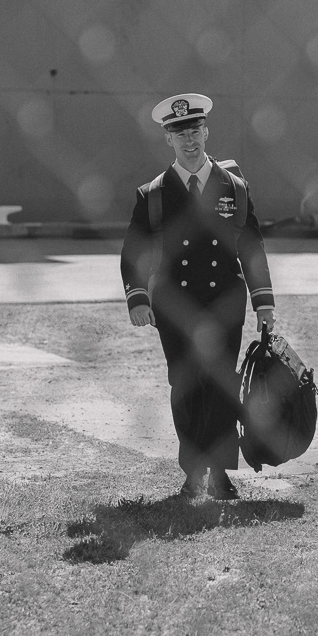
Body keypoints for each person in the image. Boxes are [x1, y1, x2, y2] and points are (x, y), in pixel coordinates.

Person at [120, 93, 276, 500]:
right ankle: (193, 471)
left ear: (206, 132)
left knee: (221, 384)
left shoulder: (235, 188)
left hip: (224, 299)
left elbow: (252, 247)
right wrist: (137, 297)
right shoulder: (153, 194)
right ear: (167, 141)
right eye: (179, 134)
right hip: (175, 304)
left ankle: (221, 472)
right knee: (186, 384)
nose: (189, 141)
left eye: (194, 131)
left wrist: (264, 301)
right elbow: (135, 249)